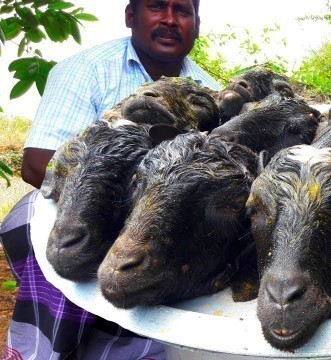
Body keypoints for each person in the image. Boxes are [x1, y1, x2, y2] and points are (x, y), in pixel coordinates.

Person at [0, 0, 220, 358]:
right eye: (156, 6)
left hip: (163, 213)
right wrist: (120, 206)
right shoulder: (87, 70)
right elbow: (38, 165)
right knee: (65, 239)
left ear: (196, 23)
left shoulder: (208, 91)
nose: (169, 19)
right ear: (130, 16)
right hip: (73, 205)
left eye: (182, 10)